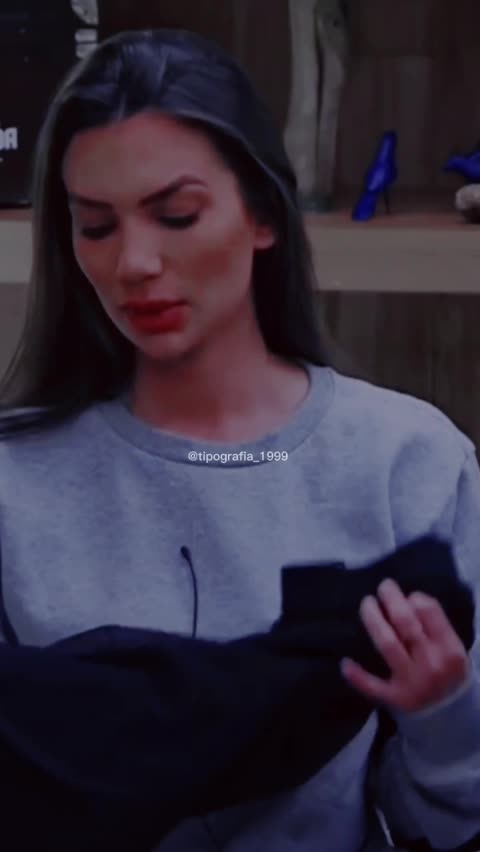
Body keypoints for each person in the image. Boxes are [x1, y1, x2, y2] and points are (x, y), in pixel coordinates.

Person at [0, 28, 479, 852]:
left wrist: (444, 720)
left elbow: (442, 824)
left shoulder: (410, 464)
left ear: (263, 214)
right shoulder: (13, 482)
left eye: (176, 215)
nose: (134, 263)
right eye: (96, 226)